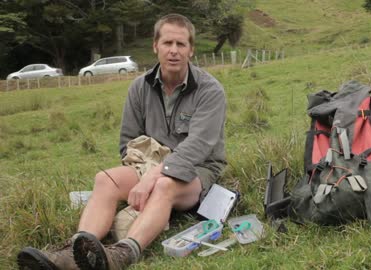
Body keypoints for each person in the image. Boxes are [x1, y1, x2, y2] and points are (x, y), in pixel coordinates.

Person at [17, 13, 227, 270]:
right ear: (155, 46)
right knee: (105, 179)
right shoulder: (139, 88)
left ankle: (122, 253)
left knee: (163, 186)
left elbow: (198, 148)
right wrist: (144, 171)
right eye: (167, 43)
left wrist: (152, 178)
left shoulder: (210, 90)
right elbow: (127, 143)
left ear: (191, 50)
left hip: (198, 170)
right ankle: (77, 251)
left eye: (181, 44)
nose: (174, 51)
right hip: (150, 164)